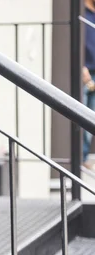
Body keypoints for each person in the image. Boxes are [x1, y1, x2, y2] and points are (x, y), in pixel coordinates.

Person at [82, 0, 95, 167]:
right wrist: (81, 66)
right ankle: (80, 157)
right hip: (85, 71)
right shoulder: (82, 14)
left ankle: (84, 157)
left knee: (92, 116)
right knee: (82, 114)